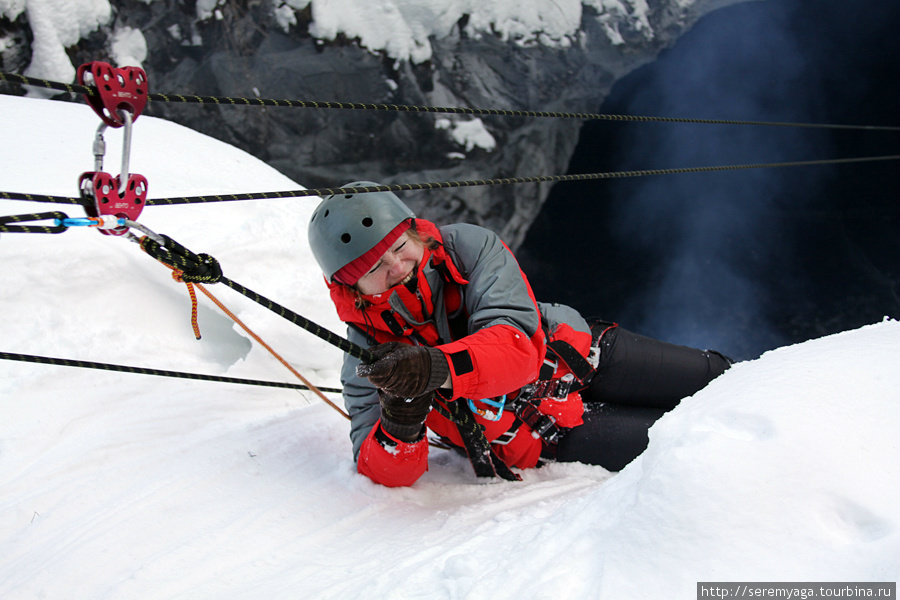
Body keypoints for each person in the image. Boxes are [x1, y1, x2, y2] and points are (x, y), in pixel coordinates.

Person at [308, 183, 732, 487]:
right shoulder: (366, 354)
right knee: (689, 444)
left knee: (721, 378)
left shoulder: (467, 249)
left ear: (414, 230)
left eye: (399, 246)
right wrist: (401, 419)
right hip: (546, 432)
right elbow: (379, 467)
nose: (397, 267)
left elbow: (515, 345)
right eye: (374, 269)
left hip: (584, 356)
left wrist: (435, 368)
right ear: (352, 288)